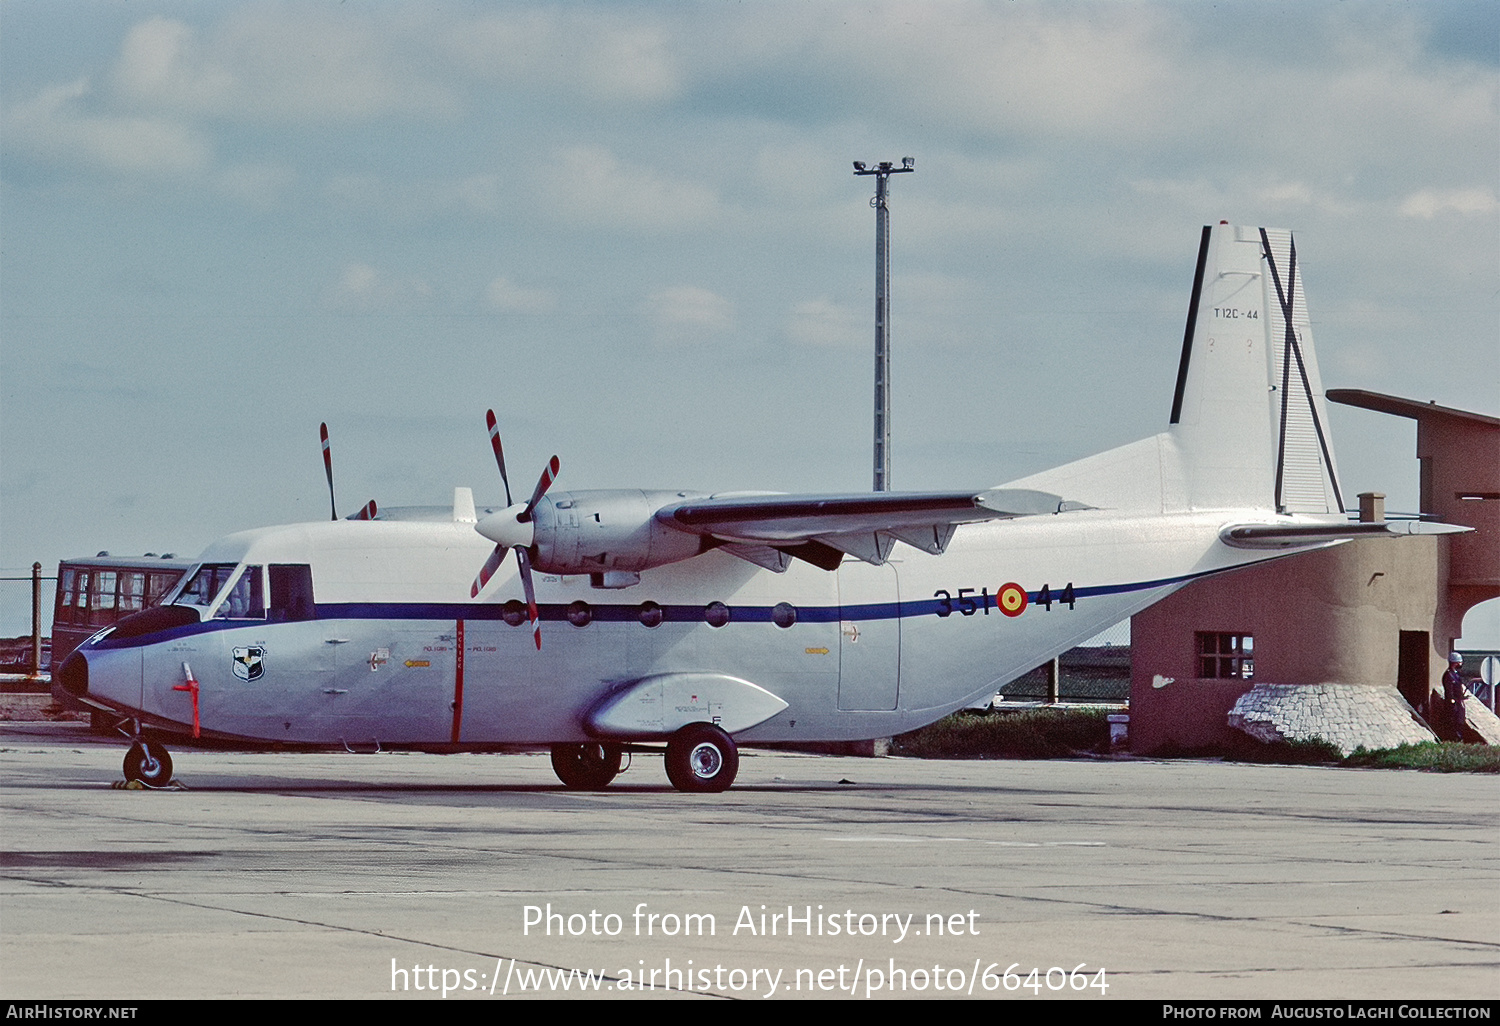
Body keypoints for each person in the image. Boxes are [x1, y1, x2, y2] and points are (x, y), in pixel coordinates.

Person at [1442, 652, 1468, 741]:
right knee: (1453, 722)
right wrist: (1452, 700)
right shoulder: (1448, 675)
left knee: (1460, 721)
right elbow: (1449, 691)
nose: (1460, 664)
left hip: (1458, 702)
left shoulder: (1456, 674)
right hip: (1453, 704)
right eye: (1459, 662)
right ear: (1454, 663)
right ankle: (1454, 739)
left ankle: (1459, 738)